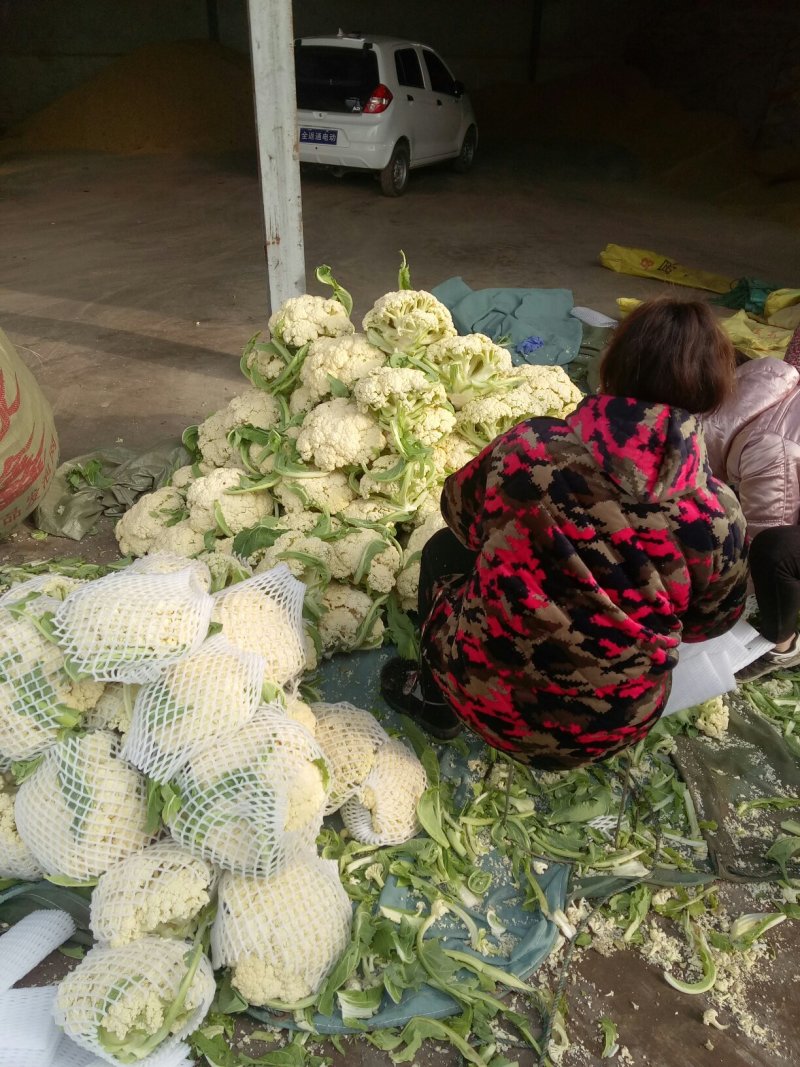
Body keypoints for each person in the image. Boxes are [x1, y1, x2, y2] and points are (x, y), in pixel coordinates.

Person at [381, 297, 749, 769]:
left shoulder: (532, 448)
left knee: (441, 551)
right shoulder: (718, 516)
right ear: (711, 395)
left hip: (480, 693)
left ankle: (436, 700)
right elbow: (708, 624)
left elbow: (458, 514)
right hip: (608, 728)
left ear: (610, 368)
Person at [703, 331, 800, 681]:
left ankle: (781, 646)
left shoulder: (767, 445)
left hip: (780, 532)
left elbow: (767, 529)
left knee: (775, 553)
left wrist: (719, 594)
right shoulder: (766, 381)